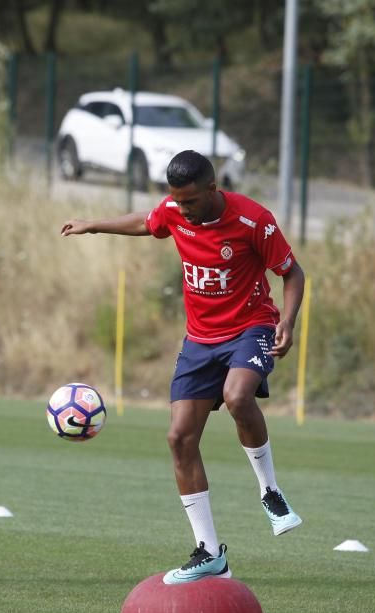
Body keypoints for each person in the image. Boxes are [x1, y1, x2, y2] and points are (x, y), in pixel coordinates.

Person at [61, 150, 305, 585]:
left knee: (237, 396)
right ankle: (210, 552)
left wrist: (287, 322)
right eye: (176, 200)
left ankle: (270, 491)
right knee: (178, 437)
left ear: (213, 190)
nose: (182, 209)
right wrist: (94, 224)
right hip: (199, 340)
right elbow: (146, 222)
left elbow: (292, 273)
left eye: (189, 201)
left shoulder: (253, 220)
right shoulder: (174, 210)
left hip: (251, 326)